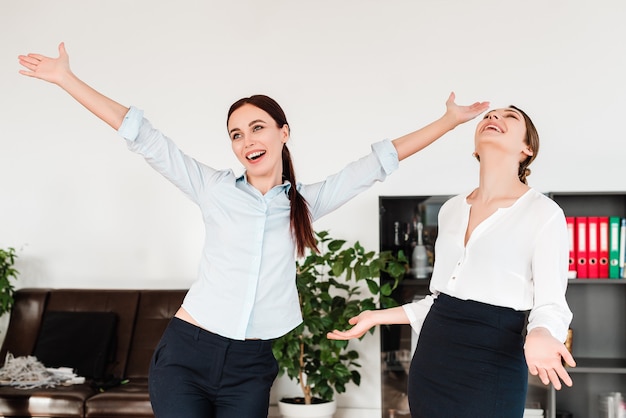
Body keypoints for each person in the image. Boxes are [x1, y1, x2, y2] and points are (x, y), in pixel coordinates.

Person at [17, 42, 489, 418]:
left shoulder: (305, 203)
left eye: (257, 128)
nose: (246, 141)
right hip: (187, 353)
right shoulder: (213, 188)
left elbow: (377, 163)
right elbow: (141, 135)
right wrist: (65, 78)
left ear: (284, 132)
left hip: (250, 364)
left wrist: (448, 121)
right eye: (236, 134)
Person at [328, 104, 577, 417]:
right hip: (432, 361)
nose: (493, 117)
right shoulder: (450, 210)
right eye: (489, 115)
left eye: (509, 117)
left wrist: (541, 333)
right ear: (475, 149)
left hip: (492, 363)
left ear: (527, 149)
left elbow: (552, 303)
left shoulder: (544, 214)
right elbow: (441, 300)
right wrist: (376, 316)